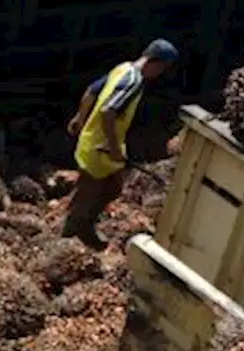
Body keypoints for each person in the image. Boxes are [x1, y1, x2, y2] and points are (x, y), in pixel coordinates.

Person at [63, 38, 178, 249]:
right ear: (155, 63)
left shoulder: (122, 68)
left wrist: (79, 118)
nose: (160, 74)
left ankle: (84, 226)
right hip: (100, 149)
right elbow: (109, 110)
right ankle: (71, 235)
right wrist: (114, 147)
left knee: (113, 188)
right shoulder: (134, 81)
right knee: (89, 192)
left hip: (97, 144)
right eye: (162, 68)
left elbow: (92, 90)